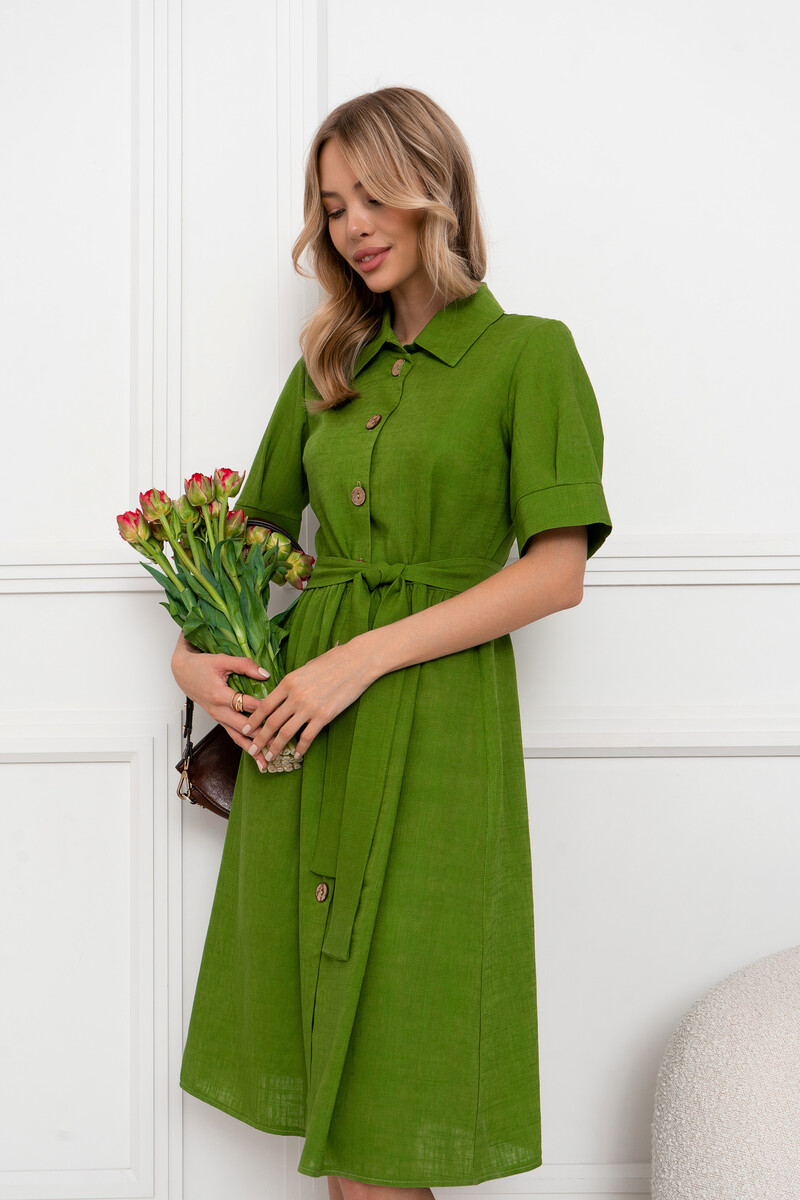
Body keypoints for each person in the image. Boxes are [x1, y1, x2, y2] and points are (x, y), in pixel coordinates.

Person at [173, 86, 612, 1198]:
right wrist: (192, 660)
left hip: (435, 729)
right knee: (332, 1068)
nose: (353, 226)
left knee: (397, 1081)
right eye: (332, 207)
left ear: (435, 191)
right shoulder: (328, 369)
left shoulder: (528, 354)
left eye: (373, 195)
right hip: (305, 737)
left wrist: (358, 657)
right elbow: (249, 541)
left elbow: (554, 572)